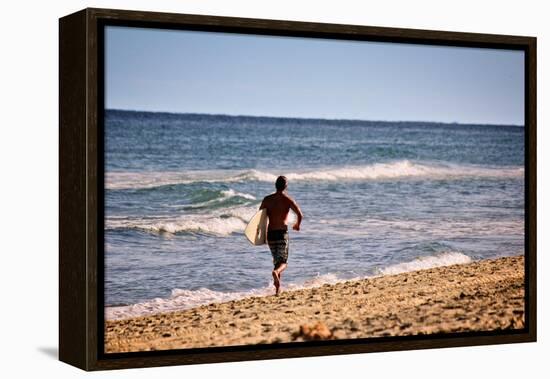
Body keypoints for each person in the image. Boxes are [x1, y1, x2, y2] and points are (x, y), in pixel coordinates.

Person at [259, 176, 303, 295]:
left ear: (275, 185)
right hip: (282, 233)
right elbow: (300, 214)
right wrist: (297, 225)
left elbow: (260, 218)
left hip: (271, 234)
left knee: (276, 261)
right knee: (283, 262)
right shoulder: (287, 199)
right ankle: (275, 274)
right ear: (286, 186)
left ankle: (278, 289)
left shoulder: (267, 199)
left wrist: (261, 234)